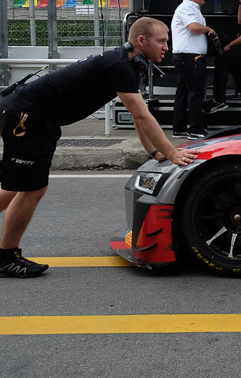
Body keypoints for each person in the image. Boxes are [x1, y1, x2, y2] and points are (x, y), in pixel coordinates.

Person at [0, 18, 198, 278]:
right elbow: (142, 116)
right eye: (161, 41)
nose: (166, 47)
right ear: (141, 40)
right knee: (30, 188)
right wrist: (172, 153)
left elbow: (138, 113)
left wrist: (154, 152)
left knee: (20, 187)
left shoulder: (128, 64)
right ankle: (6, 258)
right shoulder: (119, 66)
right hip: (27, 118)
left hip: (38, 120)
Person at [171, 0, 217, 140]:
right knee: (196, 92)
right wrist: (209, 29)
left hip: (187, 57)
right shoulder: (186, 8)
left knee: (183, 92)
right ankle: (196, 129)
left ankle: (179, 128)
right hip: (191, 57)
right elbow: (193, 27)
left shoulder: (193, 9)